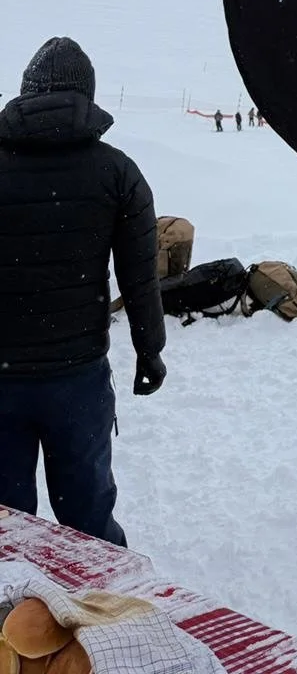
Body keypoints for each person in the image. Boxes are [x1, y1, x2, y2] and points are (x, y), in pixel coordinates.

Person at [0, 37, 166, 544]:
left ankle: (10, 616)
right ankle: (106, 611)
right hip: (77, 377)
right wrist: (149, 351)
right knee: (88, 518)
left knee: (6, 526)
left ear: (26, 93)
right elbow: (140, 276)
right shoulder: (116, 171)